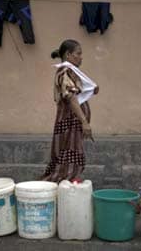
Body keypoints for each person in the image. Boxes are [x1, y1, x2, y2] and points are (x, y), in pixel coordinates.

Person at [41, 39, 99, 183]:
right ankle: (59, 188)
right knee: (66, 159)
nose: (81, 57)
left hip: (72, 123)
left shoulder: (70, 72)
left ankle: (66, 188)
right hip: (69, 123)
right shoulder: (65, 71)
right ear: (68, 55)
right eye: (78, 53)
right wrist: (84, 122)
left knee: (68, 158)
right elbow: (71, 98)